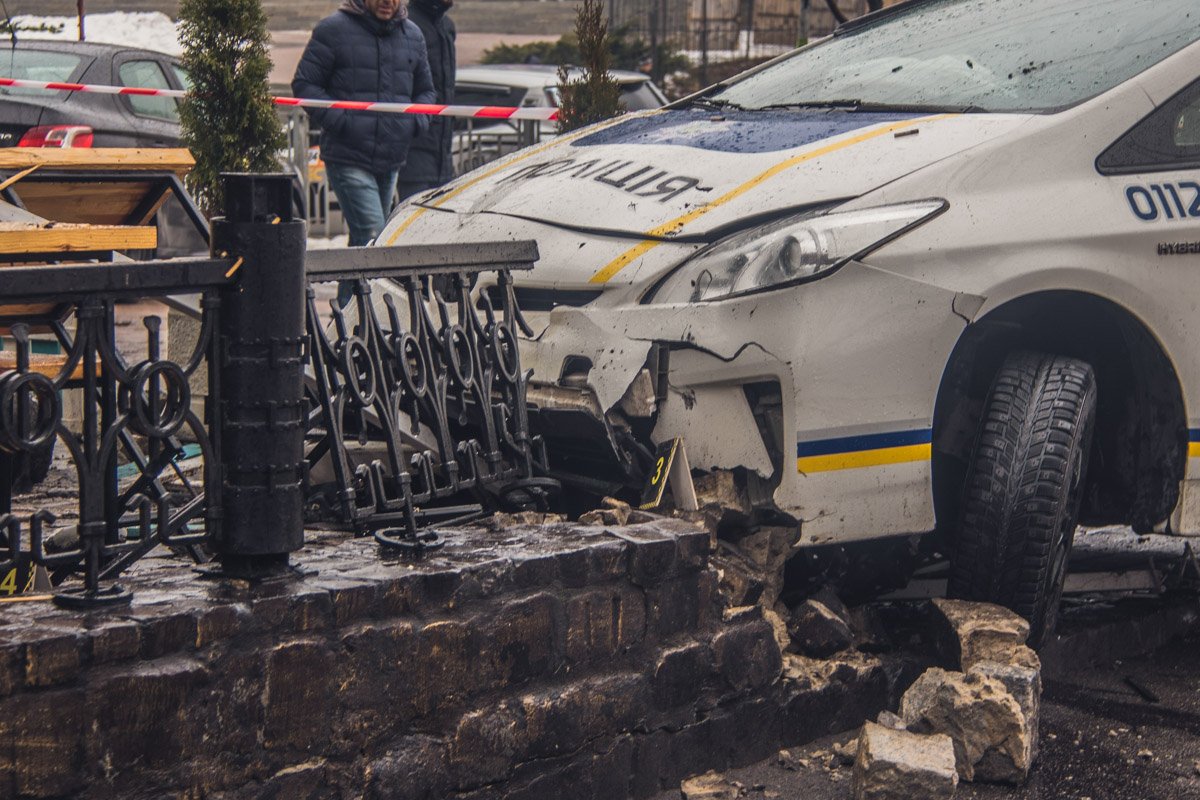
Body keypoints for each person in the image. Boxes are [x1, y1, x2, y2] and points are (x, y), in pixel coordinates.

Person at [293, 0, 436, 303]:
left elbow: (426, 92)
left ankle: (345, 321)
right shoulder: (333, 29)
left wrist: (412, 124)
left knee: (364, 245)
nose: (388, 1)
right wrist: (343, 123)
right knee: (374, 236)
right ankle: (361, 320)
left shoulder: (412, 35)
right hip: (348, 156)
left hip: (391, 158)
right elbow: (305, 84)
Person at [399, 0, 457, 201]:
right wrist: (414, 124)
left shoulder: (447, 26)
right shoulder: (407, 24)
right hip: (414, 152)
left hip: (442, 155)